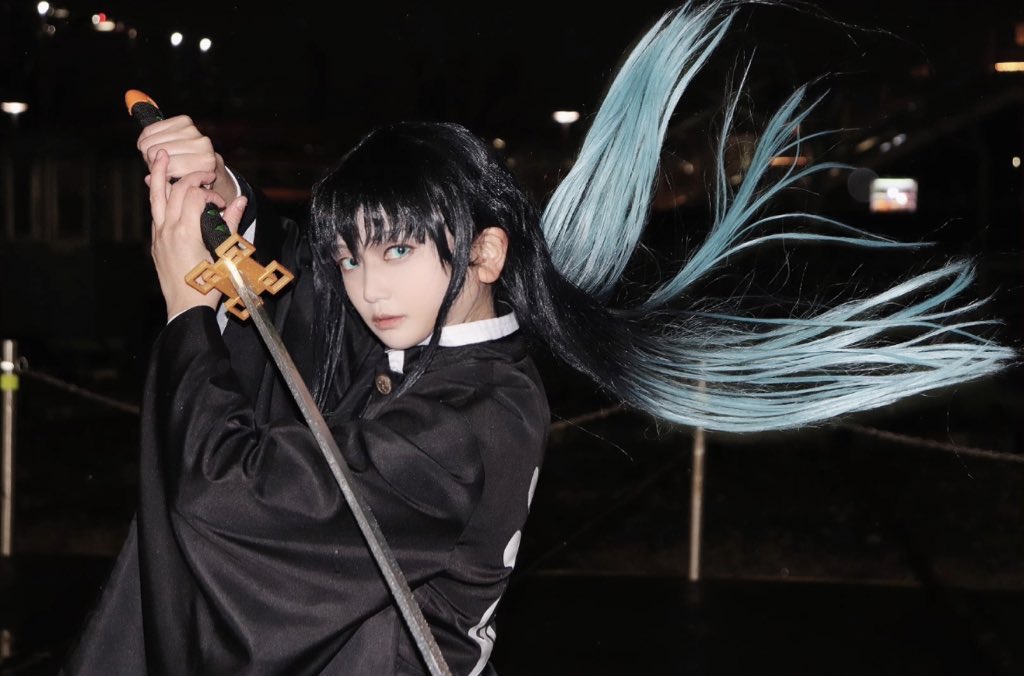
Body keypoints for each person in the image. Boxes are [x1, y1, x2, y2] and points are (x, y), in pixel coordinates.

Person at [63, 2, 1013, 674]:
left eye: (398, 248)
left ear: (485, 250)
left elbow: (233, 504)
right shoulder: (431, 351)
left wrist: (185, 305)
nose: (366, 284)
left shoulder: (469, 415)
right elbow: (301, 308)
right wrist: (226, 200)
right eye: (349, 254)